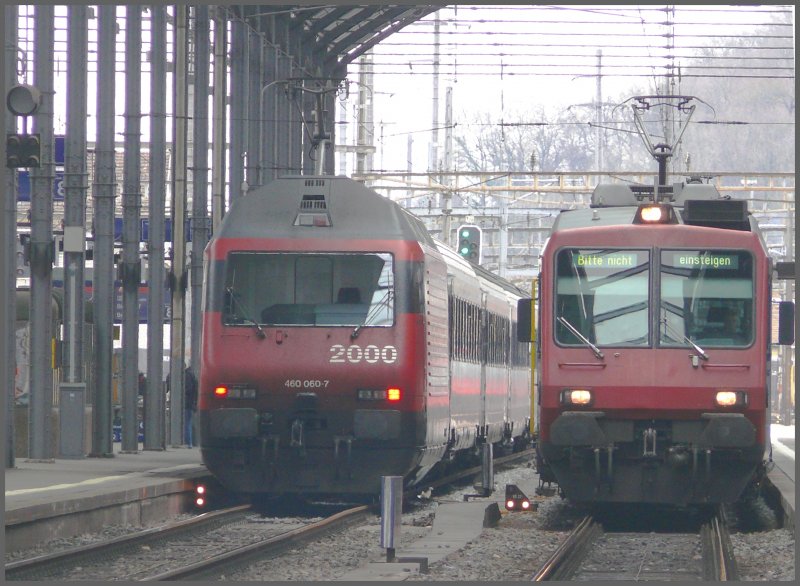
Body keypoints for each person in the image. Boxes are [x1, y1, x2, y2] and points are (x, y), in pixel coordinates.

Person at [184, 366, 198, 448]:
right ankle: (190, 442)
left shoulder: (186, 376)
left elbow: (188, 389)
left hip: (187, 403)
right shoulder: (192, 375)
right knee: (188, 422)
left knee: (186, 423)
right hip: (191, 403)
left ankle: (188, 442)